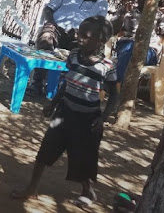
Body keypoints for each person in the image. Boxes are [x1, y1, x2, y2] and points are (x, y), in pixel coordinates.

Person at [12, 16, 118, 209]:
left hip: (88, 120)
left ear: (101, 41)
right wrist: (53, 104)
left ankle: (87, 190)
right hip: (64, 112)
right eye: (79, 34)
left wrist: (102, 119)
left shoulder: (107, 66)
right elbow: (66, 82)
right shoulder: (74, 55)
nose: (79, 39)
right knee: (45, 150)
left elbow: (114, 96)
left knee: (81, 157)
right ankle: (32, 188)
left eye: (85, 36)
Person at [30, 0, 109, 95]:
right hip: (56, 28)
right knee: (46, 38)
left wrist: (83, 33)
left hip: (79, 36)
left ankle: (64, 87)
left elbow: (98, 25)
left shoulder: (102, 3)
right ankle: (37, 83)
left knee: (82, 54)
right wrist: (52, 23)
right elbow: (48, 9)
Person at [112, 0, 164, 83]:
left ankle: (116, 84)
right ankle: (119, 86)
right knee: (130, 48)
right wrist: (123, 13)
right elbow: (113, 30)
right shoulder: (129, 11)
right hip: (126, 46)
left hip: (148, 50)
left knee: (134, 49)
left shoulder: (159, 15)